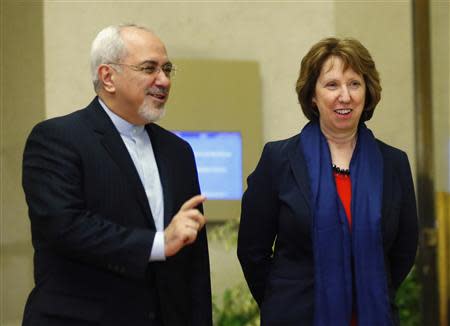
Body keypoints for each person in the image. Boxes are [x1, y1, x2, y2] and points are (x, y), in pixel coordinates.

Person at [22, 24, 212, 326]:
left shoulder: (178, 151)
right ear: (108, 77)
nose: (163, 80)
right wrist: (159, 244)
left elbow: (194, 260)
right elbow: (64, 227)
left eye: (167, 69)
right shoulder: (57, 138)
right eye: (149, 68)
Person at [237, 37, 418, 325]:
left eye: (354, 84)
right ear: (312, 95)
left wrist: (369, 292)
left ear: (367, 92)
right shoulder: (279, 159)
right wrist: (280, 302)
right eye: (332, 85)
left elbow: (405, 249)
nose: (344, 96)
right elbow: (252, 250)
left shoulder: (393, 163)